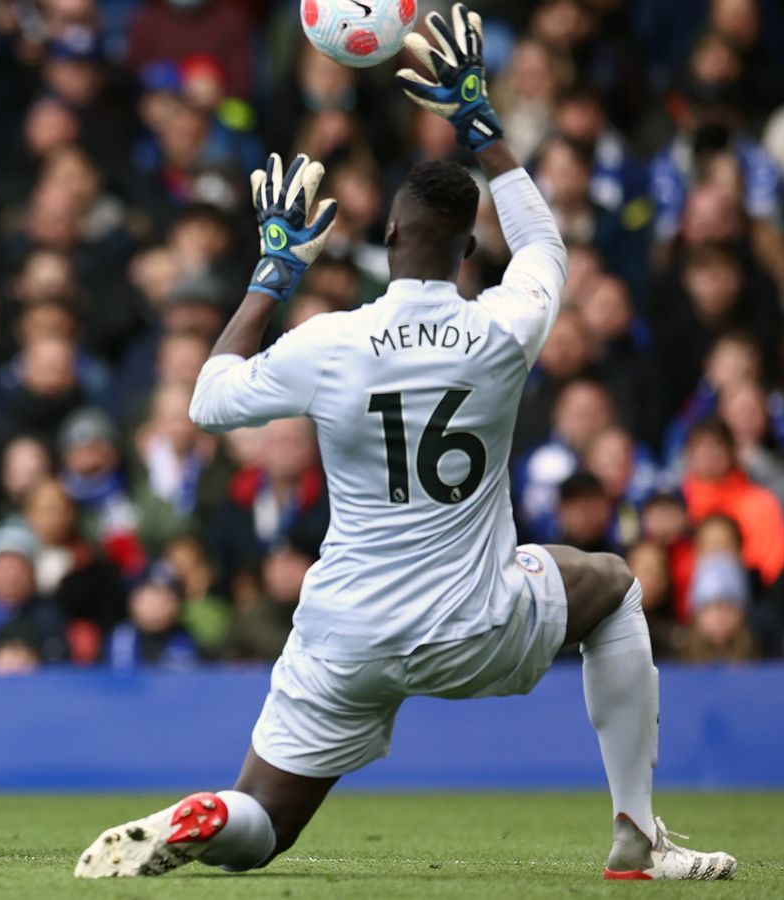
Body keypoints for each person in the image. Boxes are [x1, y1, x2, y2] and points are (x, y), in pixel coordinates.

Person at [74, 7, 735, 882]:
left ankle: (211, 814)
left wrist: (272, 274)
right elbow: (543, 241)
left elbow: (206, 400)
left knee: (266, 823)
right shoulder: (504, 328)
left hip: (347, 630)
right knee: (611, 587)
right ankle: (636, 837)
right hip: (479, 620)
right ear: (468, 251)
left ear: (387, 240)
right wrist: (482, 129)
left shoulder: (330, 342)